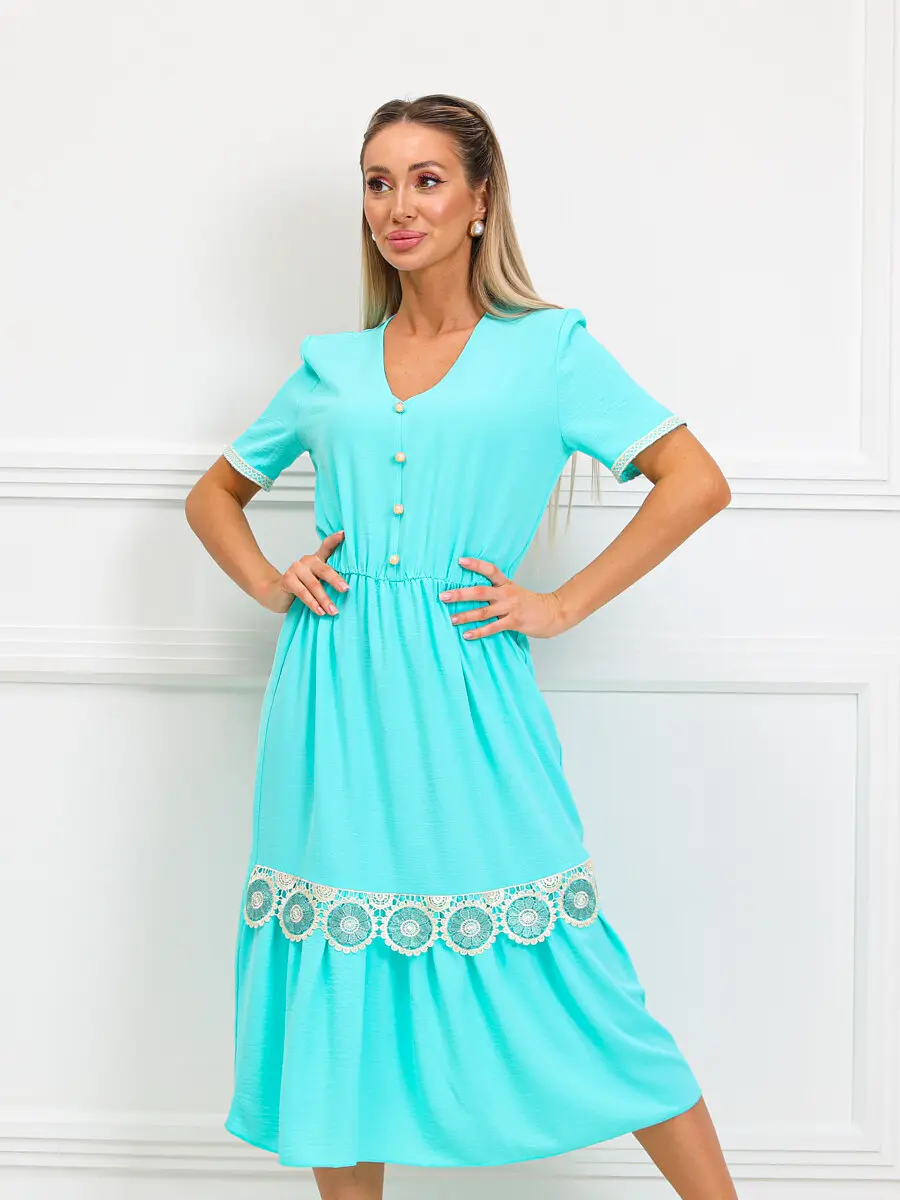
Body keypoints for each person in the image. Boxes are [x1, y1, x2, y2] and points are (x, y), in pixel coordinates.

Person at [185, 93, 736, 1200]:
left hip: (470, 691)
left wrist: (562, 604)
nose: (399, 205)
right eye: (378, 182)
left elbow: (695, 481)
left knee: (577, 974)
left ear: (480, 200)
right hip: (330, 697)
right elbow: (215, 496)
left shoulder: (550, 351)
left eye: (427, 180)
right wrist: (270, 580)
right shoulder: (332, 364)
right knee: (338, 953)